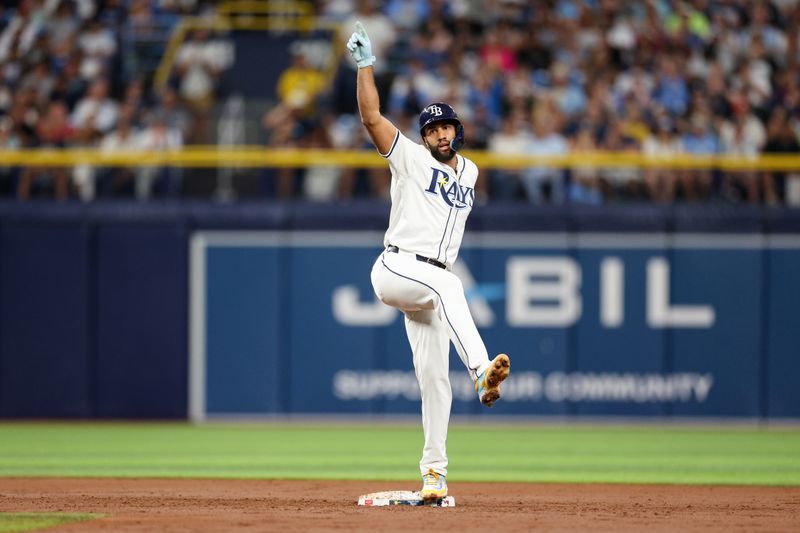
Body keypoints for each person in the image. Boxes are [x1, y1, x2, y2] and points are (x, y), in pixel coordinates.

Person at [346, 22, 511, 502]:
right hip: (396, 267)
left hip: (428, 285)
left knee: (435, 381)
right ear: (425, 135)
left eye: (447, 127)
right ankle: (481, 369)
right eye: (433, 128)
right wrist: (365, 66)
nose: (440, 134)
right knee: (451, 287)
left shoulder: (471, 170)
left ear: (457, 132)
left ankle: (433, 477)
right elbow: (371, 117)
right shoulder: (411, 159)